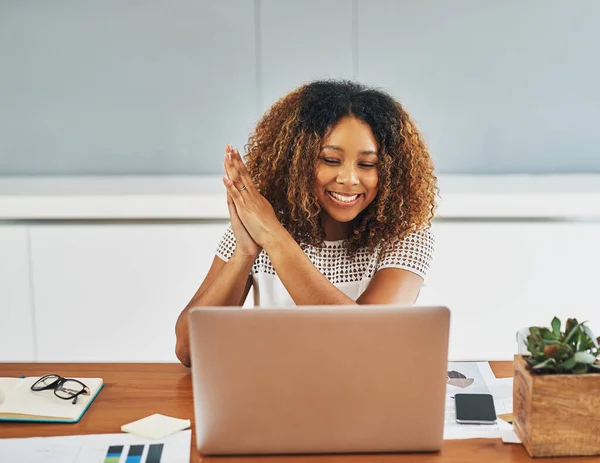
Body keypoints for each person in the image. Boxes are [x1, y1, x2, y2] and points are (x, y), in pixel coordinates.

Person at [175, 80, 437, 367]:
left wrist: (276, 239)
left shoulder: (405, 237)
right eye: (330, 159)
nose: (349, 179)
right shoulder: (259, 225)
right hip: (273, 399)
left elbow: (365, 343)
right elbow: (189, 350)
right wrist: (245, 254)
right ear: (297, 161)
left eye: (367, 164)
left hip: (366, 402)